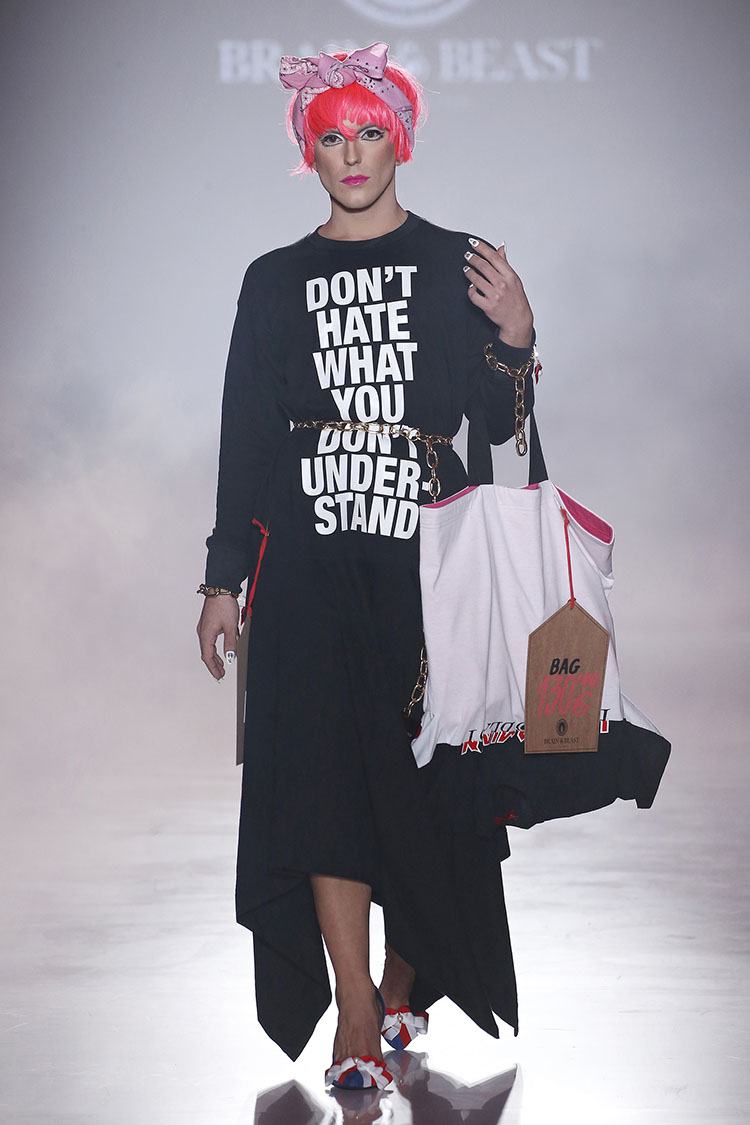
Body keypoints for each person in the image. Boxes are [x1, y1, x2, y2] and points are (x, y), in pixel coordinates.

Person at [197, 42, 536, 1091]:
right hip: (307, 563)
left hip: (429, 564)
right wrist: (222, 578)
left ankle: (399, 979)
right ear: (310, 149)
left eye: (370, 131)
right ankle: (353, 1001)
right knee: (321, 780)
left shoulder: (457, 263)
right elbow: (248, 437)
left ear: (402, 139)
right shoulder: (274, 280)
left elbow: (496, 428)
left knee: (431, 787)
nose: (351, 152)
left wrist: (517, 338)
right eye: (331, 135)